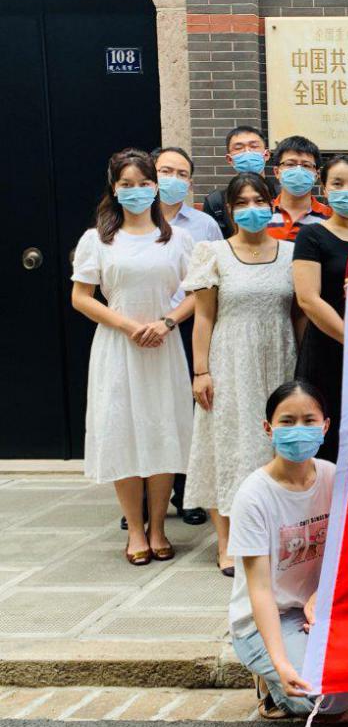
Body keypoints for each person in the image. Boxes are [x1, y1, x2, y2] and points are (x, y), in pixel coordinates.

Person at [228, 380, 348, 719]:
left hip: (322, 609)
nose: (298, 429)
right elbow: (261, 590)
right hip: (270, 619)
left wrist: (323, 599)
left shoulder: (333, 477)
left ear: (325, 426)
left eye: (308, 420)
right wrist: (281, 663)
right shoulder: (253, 496)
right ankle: (272, 686)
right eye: (287, 421)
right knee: (330, 700)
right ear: (268, 428)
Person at [70, 148, 196, 565]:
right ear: (114, 189)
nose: (136, 191)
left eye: (144, 184)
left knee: (163, 432)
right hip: (117, 347)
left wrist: (167, 322)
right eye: (127, 184)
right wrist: (127, 325)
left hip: (163, 347)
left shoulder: (177, 239)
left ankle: (159, 526)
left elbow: (198, 292)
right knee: (122, 432)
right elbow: (81, 297)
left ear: (155, 187)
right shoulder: (97, 240)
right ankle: (136, 530)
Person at [183, 173, 297, 578]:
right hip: (230, 360)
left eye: (259, 201)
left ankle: (272, 536)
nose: (252, 209)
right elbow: (203, 317)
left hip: (280, 356)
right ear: (230, 210)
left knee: (273, 448)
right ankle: (227, 542)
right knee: (229, 445)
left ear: (272, 205)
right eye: (242, 203)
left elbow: (299, 313)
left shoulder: (292, 253)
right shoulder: (211, 252)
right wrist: (201, 371)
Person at [292, 155, 348, 462]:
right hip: (327, 348)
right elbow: (308, 298)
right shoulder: (312, 235)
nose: (346, 191)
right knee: (325, 433)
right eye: (337, 184)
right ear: (324, 189)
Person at [153, 146, 219, 527]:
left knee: (190, 410)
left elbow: (212, 281)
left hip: (188, 322)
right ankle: (146, 500)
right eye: (165, 171)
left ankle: (186, 493)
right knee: (154, 412)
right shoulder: (126, 223)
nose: (173, 180)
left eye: (181, 174)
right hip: (143, 328)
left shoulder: (204, 225)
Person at [201, 125, 278, 237]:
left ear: (266, 155)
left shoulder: (282, 194)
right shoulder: (216, 202)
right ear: (230, 159)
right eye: (238, 148)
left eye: (254, 146)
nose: (247, 152)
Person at [269, 136, 330, 241]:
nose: (298, 171)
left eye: (306, 165)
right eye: (290, 164)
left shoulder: (330, 217)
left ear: (316, 174)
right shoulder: (262, 214)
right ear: (276, 172)